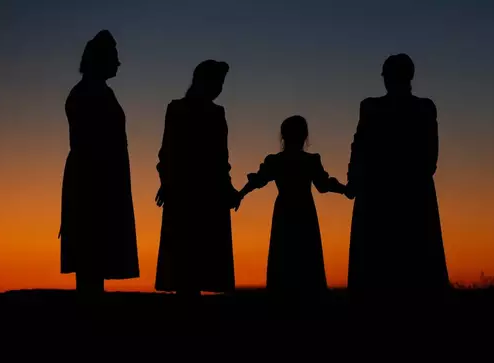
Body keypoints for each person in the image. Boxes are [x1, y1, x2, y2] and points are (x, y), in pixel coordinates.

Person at [345, 53, 449, 305]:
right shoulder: (424, 108)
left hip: (379, 196)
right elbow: (429, 158)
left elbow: (359, 149)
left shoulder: (371, 107)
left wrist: (355, 181)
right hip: (412, 194)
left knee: (377, 268)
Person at [59, 30, 140, 299]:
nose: (118, 63)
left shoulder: (98, 91)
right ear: (101, 60)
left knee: (96, 256)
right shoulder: (86, 93)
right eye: (114, 57)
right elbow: (90, 146)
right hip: (93, 184)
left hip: (102, 181)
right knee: (90, 255)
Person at [154, 59, 240, 298]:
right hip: (188, 192)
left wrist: (228, 187)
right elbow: (168, 151)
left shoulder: (214, 113)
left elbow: (221, 158)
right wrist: (167, 182)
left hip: (205, 193)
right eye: (218, 82)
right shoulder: (178, 109)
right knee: (187, 258)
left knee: (199, 258)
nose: (220, 88)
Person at [237, 116, 346, 298]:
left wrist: (240, 194)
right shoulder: (311, 161)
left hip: (284, 211)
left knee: (284, 254)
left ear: (283, 136)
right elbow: (323, 185)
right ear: (304, 136)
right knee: (306, 254)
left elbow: (258, 180)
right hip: (305, 210)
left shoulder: (275, 161)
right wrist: (346, 190)